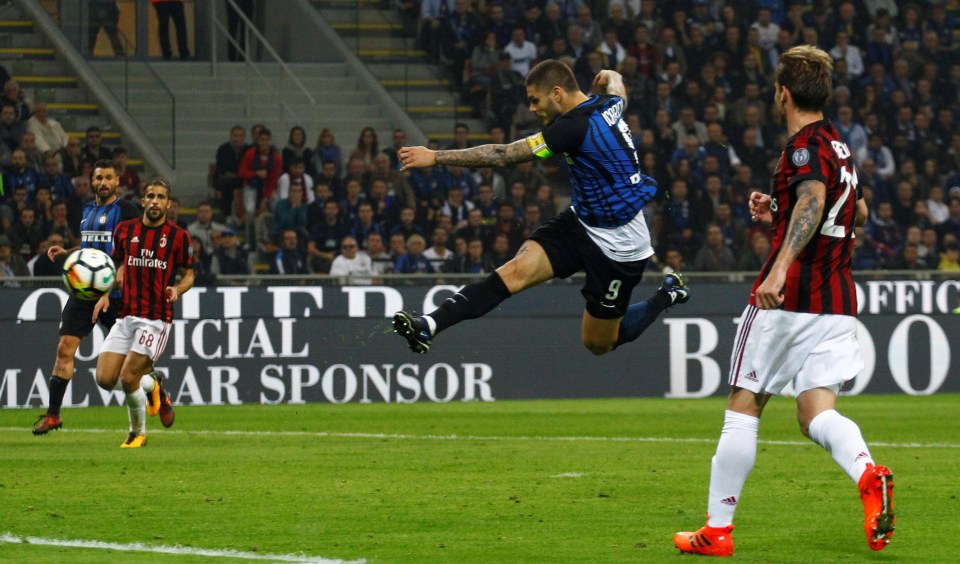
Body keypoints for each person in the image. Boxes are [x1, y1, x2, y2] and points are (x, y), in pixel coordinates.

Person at [673, 46, 894, 557]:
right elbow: (855, 212)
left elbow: (816, 201)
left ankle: (717, 531)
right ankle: (868, 474)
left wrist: (777, 268)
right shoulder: (839, 144)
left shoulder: (803, 146)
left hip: (789, 299)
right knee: (816, 412)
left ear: (783, 93)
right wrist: (778, 207)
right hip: (836, 303)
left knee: (744, 406)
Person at [393, 60, 689, 355]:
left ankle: (667, 295)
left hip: (621, 246)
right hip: (581, 223)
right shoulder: (607, 104)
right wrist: (612, 75)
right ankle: (429, 324)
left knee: (598, 343)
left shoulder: (571, 127)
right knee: (515, 271)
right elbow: (619, 90)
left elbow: (503, 155)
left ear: (557, 93)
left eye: (535, 100)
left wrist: (435, 157)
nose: (532, 109)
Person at [32, 160, 141, 435]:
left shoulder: (126, 210)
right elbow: (91, 248)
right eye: (98, 178)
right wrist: (68, 251)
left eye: (108, 178)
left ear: (117, 181)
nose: (102, 183)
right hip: (84, 291)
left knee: (130, 364)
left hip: (116, 295)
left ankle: (154, 391)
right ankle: (53, 415)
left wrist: (124, 269)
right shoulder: (86, 209)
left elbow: (135, 248)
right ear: (92, 181)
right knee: (64, 349)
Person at [94, 178, 193, 447]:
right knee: (103, 379)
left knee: (128, 378)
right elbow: (118, 264)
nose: (155, 201)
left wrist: (178, 289)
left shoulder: (178, 236)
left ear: (168, 204)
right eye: (151, 196)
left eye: (161, 197)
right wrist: (104, 295)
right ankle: (153, 385)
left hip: (155, 320)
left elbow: (190, 274)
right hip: (126, 316)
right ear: (143, 200)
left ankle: (138, 433)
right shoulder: (125, 230)